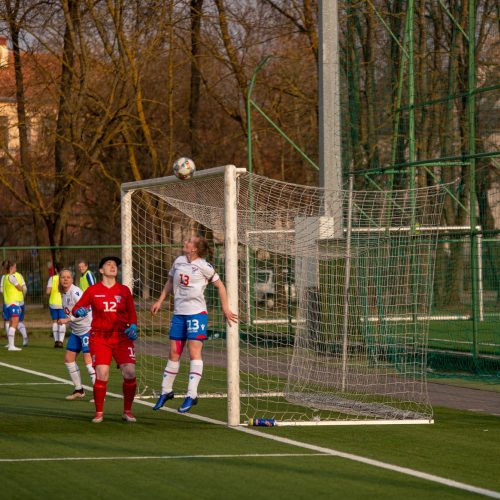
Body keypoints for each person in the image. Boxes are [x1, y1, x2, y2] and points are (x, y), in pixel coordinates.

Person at [150, 235, 237, 413]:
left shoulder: (204, 266)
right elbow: (169, 282)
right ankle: (166, 391)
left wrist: (225, 308)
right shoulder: (179, 261)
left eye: (189, 241)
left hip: (197, 314)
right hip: (179, 314)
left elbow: (220, 286)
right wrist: (160, 300)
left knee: (193, 352)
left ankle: (192, 394)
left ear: (195, 249)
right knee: (174, 352)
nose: (185, 242)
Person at [72, 256, 138, 423]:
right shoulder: (93, 290)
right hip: (100, 338)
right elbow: (77, 307)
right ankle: (99, 413)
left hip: (122, 338)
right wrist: (78, 311)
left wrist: (133, 327)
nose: (112, 266)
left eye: (115, 264)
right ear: (101, 270)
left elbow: (132, 315)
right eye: (108, 264)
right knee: (102, 373)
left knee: (130, 373)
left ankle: (127, 411)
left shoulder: (124, 291)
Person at [58, 268, 96, 400]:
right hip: (76, 331)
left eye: (68, 277)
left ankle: (99, 394)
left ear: (72, 279)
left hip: (87, 329)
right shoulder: (63, 293)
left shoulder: (76, 292)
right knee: (69, 359)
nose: (66, 279)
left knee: (88, 361)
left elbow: (85, 311)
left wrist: (67, 320)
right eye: (63, 277)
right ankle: (79, 390)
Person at [2, 260, 29, 351]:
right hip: (13, 303)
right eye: (14, 267)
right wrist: (22, 288)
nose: (15, 269)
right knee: (14, 323)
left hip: (10, 303)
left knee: (12, 322)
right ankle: (11, 346)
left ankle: (11, 344)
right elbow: (20, 287)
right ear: (11, 268)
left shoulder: (5, 277)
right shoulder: (11, 277)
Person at [47, 263, 66, 348]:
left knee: (55, 321)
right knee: (62, 321)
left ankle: (56, 341)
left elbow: (48, 291)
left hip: (53, 302)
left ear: (55, 270)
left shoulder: (52, 278)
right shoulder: (65, 279)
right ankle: (61, 341)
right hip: (63, 303)